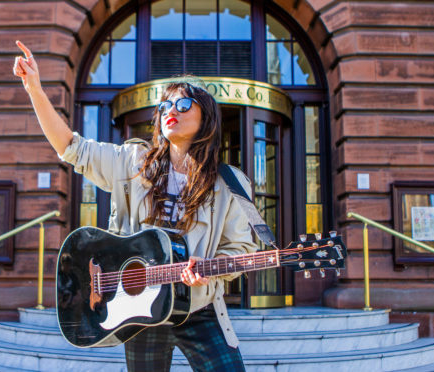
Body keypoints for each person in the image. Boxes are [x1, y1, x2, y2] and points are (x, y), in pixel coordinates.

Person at [13, 40, 257, 372]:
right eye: (165, 106)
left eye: (183, 104)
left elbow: (241, 251)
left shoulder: (230, 184)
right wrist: (35, 91)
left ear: (207, 117)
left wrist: (208, 269)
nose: (171, 111)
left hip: (198, 310)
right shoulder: (133, 162)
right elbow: (71, 147)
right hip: (141, 310)